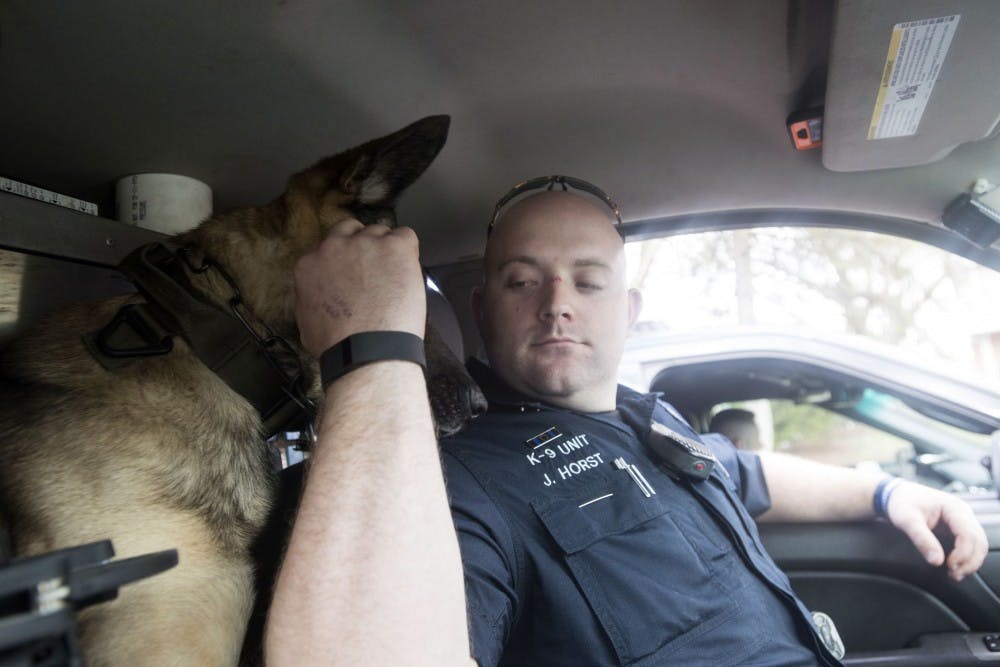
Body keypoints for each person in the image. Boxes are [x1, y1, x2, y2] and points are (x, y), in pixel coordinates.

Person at [265, 178, 989, 666]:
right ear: (482, 314)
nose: (557, 303)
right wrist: (372, 348)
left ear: (629, 311)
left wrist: (889, 494)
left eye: (588, 280)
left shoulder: (648, 419)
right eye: (522, 281)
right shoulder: (453, 477)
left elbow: (750, 473)